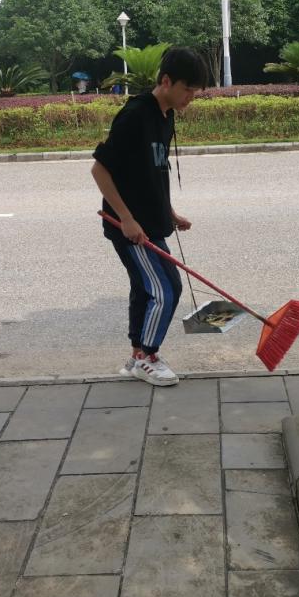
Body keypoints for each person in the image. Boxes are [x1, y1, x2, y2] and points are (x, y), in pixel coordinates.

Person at [91, 47, 209, 386]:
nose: (191, 98)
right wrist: (127, 219)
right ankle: (147, 357)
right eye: (188, 90)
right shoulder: (135, 116)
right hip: (130, 227)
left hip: (151, 222)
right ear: (166, 81)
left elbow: (154, 172)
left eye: (196, 92)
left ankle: (136, 357)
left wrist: (169, 213)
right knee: (167, 289)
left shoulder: (166, 115)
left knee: (146, 288)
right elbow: (100, 170)